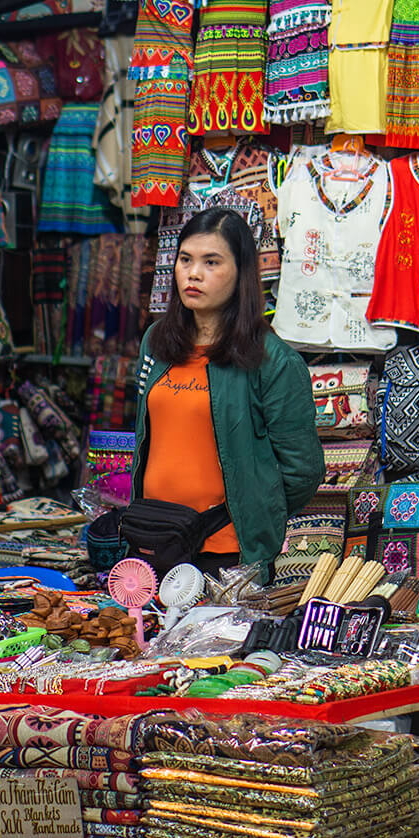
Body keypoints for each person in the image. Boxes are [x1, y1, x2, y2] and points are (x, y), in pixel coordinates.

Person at [131, 207, 324, 576]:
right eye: (185, 259)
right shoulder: (156, 343)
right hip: (153, 539)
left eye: (212, 262)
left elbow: (303, 471)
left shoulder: (272, 361)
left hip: (226, 553)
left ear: (241, 273)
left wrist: (254, 511)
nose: (194, 273)